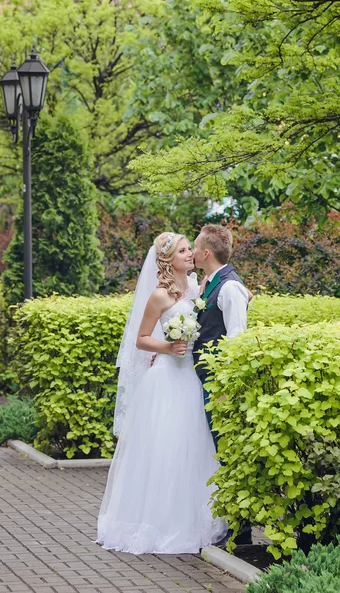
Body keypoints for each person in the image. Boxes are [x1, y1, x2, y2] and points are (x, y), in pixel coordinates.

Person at [96, 232, 227, 555]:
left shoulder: (199, 288)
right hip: (166, 379)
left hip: (192, 379)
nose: (189, 254)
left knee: (194, 452)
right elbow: (140, 339)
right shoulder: (159, 296)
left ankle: (198, 523)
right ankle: (160, 524)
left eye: (189, 249)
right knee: (165, 452)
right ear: (168, 260)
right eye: (182, 251)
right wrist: (168, 346)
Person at [192, 224, 251, 545]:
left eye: (196, 247)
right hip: (206, 380)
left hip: (220, 384)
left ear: (206, 253)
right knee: (216, 450)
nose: (193, 252)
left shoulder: (230, 288)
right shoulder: (212, 284)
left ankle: (240, 530)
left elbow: (236, 340)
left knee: (226, 451)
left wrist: (226, 385)